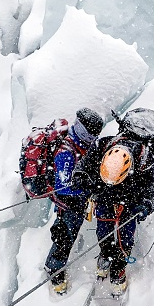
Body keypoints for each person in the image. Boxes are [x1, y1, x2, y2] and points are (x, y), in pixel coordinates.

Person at [79, 108, 154, 295]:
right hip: (103, 199)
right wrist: (82, 178)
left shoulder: (145, 160)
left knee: (124, 238)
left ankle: (118, 269)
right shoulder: (102, 146)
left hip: (129, 205)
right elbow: (83, 168)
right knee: (103, 232)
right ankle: (105, 255)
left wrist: (145, 207)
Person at [44, 107, 105, 294]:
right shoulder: (66, 152)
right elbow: (64, 186)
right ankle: (55, 271)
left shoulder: (80, 145)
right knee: (65, 235)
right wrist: (87, 188)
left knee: (67, 233)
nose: (93, 137)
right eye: (91, 133)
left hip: (78, 201)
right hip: (68, 203)